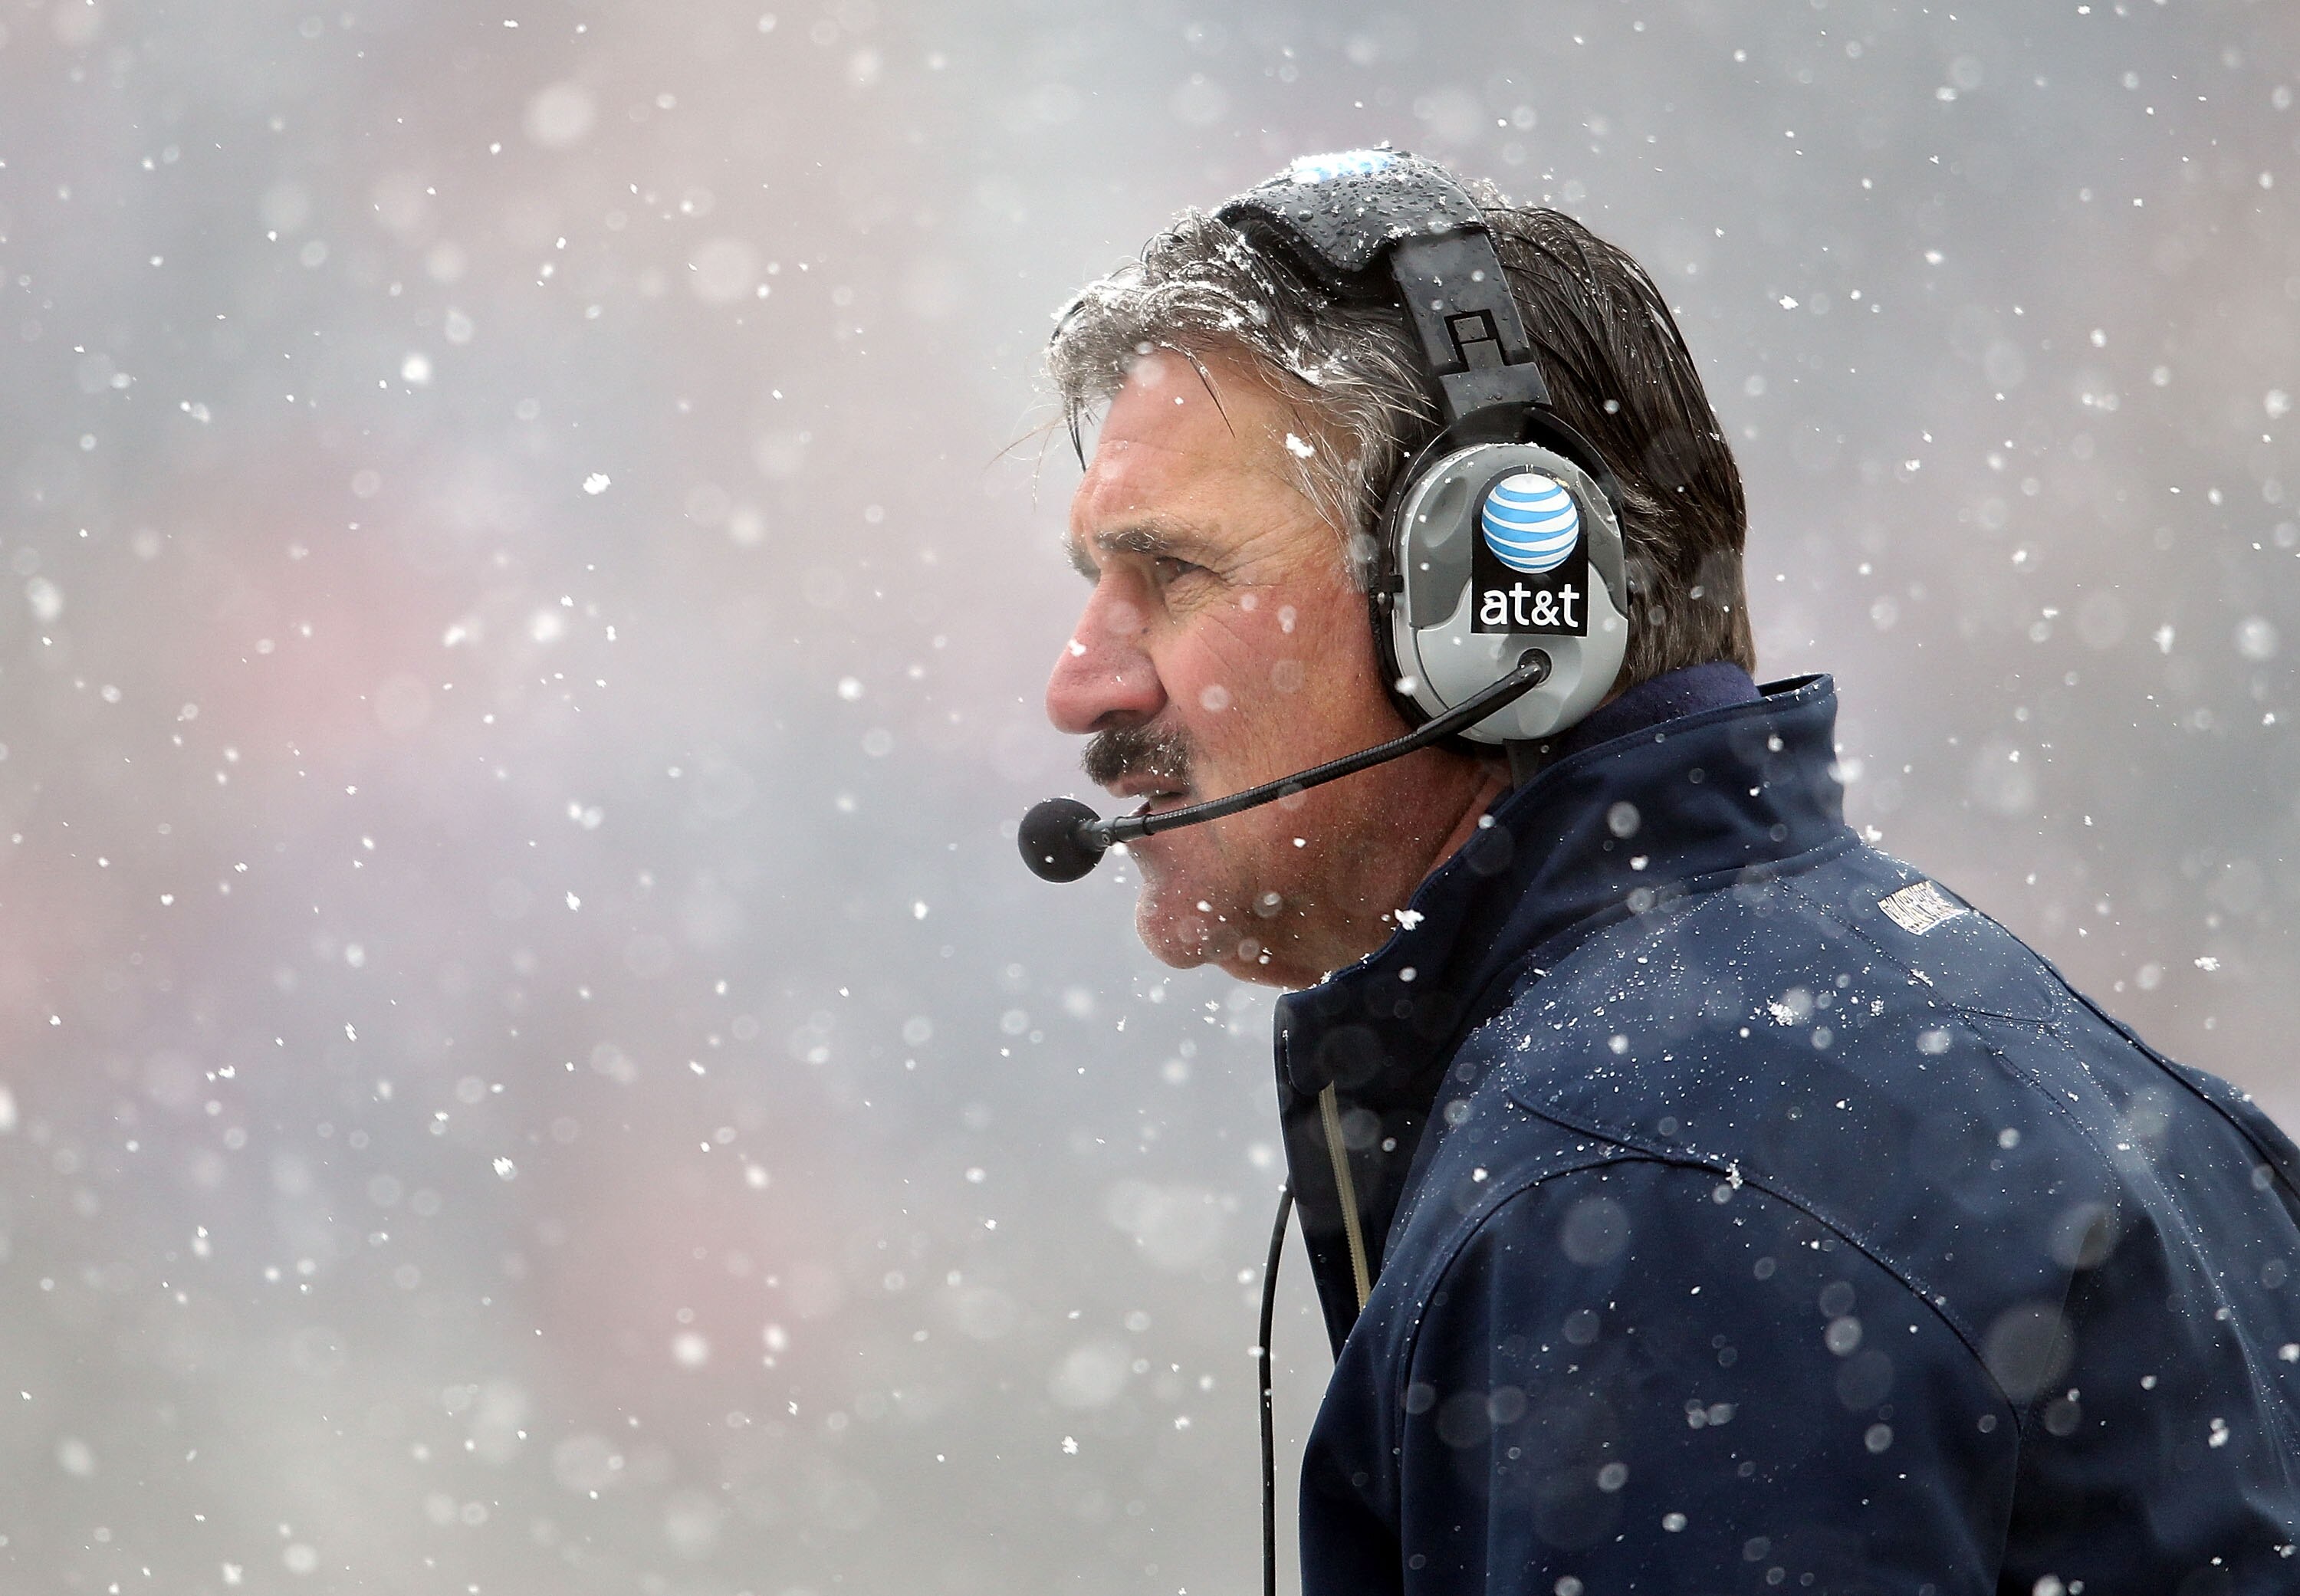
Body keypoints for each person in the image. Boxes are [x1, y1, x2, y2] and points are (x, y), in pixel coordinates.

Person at [1033, 149, 2300, 1594]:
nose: (1079, 685)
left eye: (1173, 573)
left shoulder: (1660, 1185)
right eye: (1093, 585)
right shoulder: (1928, 1054)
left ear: (1491, 613)